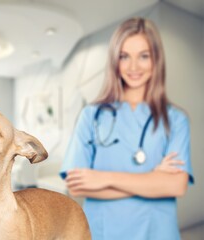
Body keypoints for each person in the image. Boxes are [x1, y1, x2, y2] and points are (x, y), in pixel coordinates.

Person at [60, 17, 194, 240]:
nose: (134, 67)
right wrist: (152, 179)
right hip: (104, 231)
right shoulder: (91, 116)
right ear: (115, 60)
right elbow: (76, 187)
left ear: (156, 60)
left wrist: (104, 178)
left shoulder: (176, 120)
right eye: (124, 56)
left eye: (144, 56)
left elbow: (176, 185)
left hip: (157, 231)